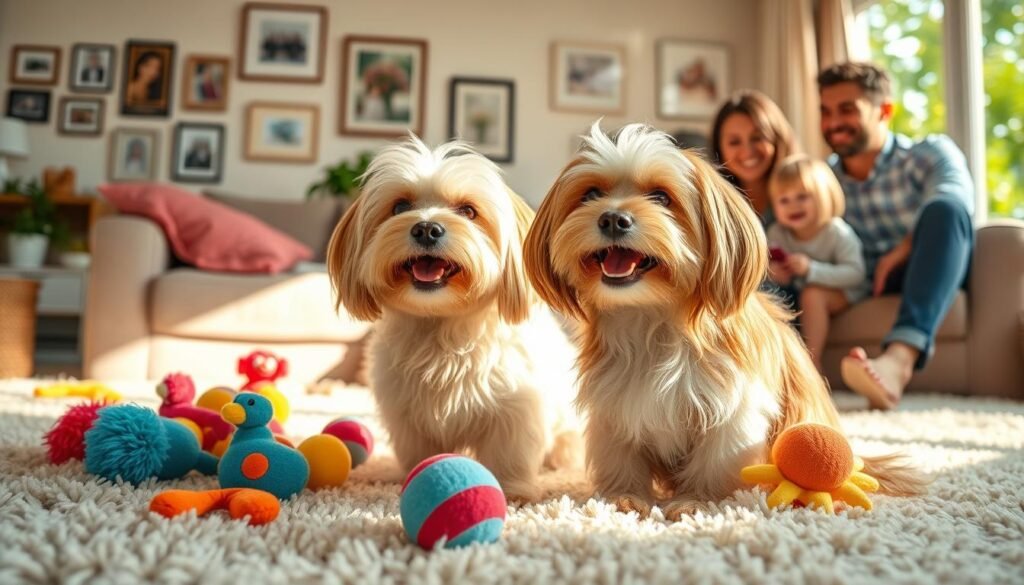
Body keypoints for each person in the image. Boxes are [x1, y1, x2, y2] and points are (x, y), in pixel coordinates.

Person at [818, 62, 975, 410]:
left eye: (847, 109)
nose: (833, 122)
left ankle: (897, 362)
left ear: (884, 110)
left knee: (946, 209)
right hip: (865, 280)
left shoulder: (929, 153)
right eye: (825, 111)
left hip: (930, 267)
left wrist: (905, 246)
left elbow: (957, 197)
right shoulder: (822, 179)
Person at [765, 155, 868, 372]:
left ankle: (812, 363)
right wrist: (774, 273)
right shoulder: (777, 233)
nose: (793, 206)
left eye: (802, 197)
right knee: (769, 295)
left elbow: (856, 273)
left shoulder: (837, 232)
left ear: (824, 196)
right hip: (796, 291)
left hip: (845, 291)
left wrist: (811, 269)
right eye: (784, 200)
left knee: (812, 294)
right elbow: (766, 267)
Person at [710, 90, 799, 226]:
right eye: (734, 142)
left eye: (757, 138)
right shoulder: (711, 204)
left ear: (777, 139)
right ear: (719, 149)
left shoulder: (807, 193)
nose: (747, 152)